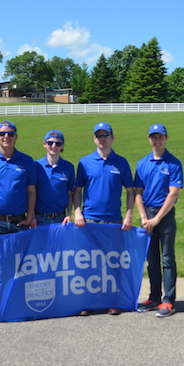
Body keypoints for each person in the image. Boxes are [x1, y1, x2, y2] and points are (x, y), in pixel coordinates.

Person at [0, 120, 37, 318]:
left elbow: (31, 192)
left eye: (10, 133)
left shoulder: (27, 162)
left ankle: (18, 301)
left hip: (19, 222)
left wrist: (30, 216)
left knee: (20, 264)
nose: (6, 137)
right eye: (2, 133)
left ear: (16, 137)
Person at [73, 122, 135, 316]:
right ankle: (88, 302)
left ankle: (113, 301)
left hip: (114, 221)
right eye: (99, 135)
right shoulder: (84, 162)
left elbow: (131, 191)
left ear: (112, 137)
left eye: (106, 135)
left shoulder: (121, 162)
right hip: (90, 219)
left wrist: (129, 214)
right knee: (89, 262)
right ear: (94, 139)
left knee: (113, 263)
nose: (103, 139)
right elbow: (77, 191)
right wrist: (77, 212)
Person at [135, 124, 184, 318]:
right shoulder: (142, 163)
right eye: (153, 137)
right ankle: (154, 297)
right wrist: (144, 217)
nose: (157, 141)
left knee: (167, 259)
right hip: (147, 215)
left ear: (166, 138)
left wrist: (156, 218)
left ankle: (168, 300)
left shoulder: (173, 163)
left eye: (160, 137)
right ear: (149, 139)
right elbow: (137, 193)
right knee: (152, 259)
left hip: (165, 216)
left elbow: (173, 194)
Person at [35, 130, 74, 226]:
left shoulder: (68, 167)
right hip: (39, 218)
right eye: (50, 143)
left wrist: (69, 215)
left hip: (61, 219)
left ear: (62, 146)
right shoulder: (36, 166)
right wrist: (31, 216)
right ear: (44, 144)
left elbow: (70, 194)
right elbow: (31, 193)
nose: (53, 146)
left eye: (58, 144)